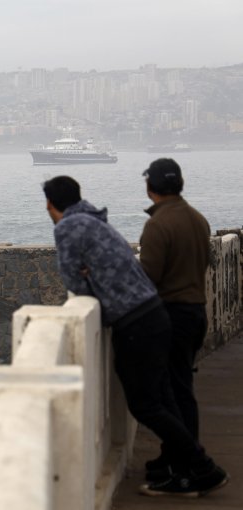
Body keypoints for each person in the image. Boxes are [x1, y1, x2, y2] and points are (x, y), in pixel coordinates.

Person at [42, 175, 228, 497]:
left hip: (134, 324)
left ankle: (202, 467)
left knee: (145, 405)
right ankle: (183, 466)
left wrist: (89, 279)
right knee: (165, 399)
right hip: (155, 313)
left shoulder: (68, 228)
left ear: (50, 205)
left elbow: (73, 279)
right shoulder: (95, 220)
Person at [139, 158, 212, 481]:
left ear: (150, 186)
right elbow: (207, 261)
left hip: (171, 315)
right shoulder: (198, 220)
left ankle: (186, 465)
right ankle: (173, 455)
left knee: (173, 393)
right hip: (196, 312)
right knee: (180, 387)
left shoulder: (159, 224)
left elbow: (148, 276)